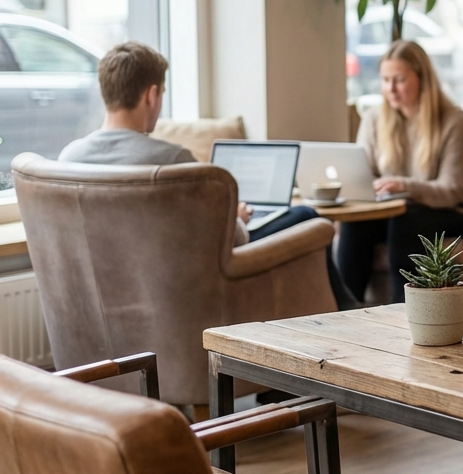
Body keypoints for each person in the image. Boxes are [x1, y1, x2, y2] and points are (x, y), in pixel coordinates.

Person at [59, 42, 354, 310]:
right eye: (161, 94)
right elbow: (230, 240)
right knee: (308, 216)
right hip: (186, 279)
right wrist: (234, 217)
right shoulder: (171, 161)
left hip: (117, 286)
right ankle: (349, 312)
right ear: (151, 95)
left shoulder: (69, 159)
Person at [337, 40, 463, 304]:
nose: (391, 88)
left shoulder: (453, 121)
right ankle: (345, 309)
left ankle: (402, 309)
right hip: (393, 211)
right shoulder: (375, 118)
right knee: (355, 222)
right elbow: (363, 176)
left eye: (399, 79)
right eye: (386, 80)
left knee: (405, 219)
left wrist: (403, 186)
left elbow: (452, 191)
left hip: (448, 212)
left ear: (422, 78)